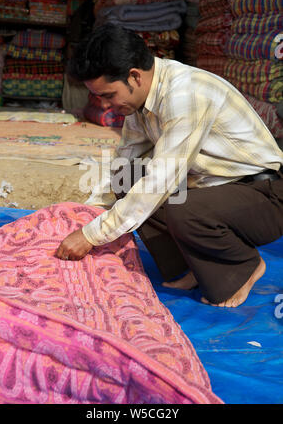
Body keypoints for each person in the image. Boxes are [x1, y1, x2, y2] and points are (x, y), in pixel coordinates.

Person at [56, 23, 283, 308]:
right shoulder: (139, 104)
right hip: (212, 192)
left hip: (264, 195)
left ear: (134, 76)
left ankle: (242, 267)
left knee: (182, 206)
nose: (105, 105)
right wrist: (87, 214)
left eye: (109, 95)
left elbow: (160, 180)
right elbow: (124, 164)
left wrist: (91, 235)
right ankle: (192, 267)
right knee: (127, 178)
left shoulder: (184, 94)